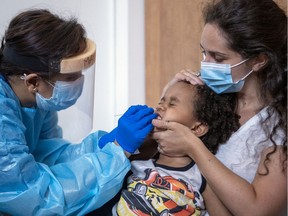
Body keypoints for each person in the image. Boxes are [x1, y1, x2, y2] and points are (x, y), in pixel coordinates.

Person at [0, 9, 156, 215]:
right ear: (33, 81)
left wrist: (105, 144)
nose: (79, 83)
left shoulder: (35, 101)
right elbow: (38, 198)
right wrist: (117, 152)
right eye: (71, 78)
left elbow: (44, 158)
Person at [152, 0, 287, 215]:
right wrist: (170, 97)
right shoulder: (206, 95)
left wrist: (194, 147)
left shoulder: (280, 128)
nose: (206, 64)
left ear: (259, 60)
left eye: (218, 57)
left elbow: (257, 210)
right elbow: (154, 150)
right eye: (204, 52)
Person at [113, 80, 240, 215]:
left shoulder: (200, 178)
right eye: (161, 102)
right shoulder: (136, 163)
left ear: (197, 127)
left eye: (172, 104)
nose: (160, 107)